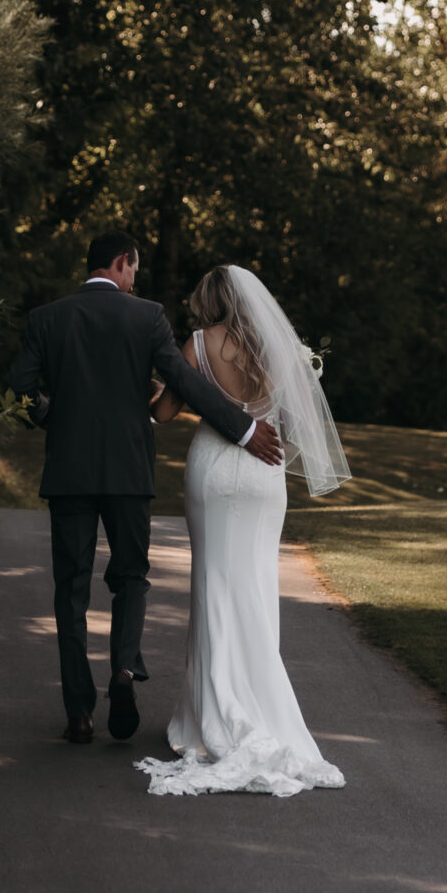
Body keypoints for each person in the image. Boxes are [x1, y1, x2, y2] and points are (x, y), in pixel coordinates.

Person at [8, 230, 283, 744]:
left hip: (68, 475)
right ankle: (124, 672)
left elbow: (19, 388)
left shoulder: (47, 318)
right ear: (119, 263)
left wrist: (55, 418)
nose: (136, 278)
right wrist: (244, 430)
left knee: (70, 589)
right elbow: (187, 380)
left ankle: (80, 712)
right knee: (130, 577)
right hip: (129, 474)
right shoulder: (146, 316)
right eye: (134, 268)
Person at [136, 263, 351, 797]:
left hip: (214, 468)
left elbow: (163, 413)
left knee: (213, 588)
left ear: (211, 299)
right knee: (255, 589)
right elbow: (294, 411)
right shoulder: (281, 351)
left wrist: (138, 379)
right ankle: (261, 705)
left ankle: (215, 715)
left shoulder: (198, 346)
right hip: (264, 472)